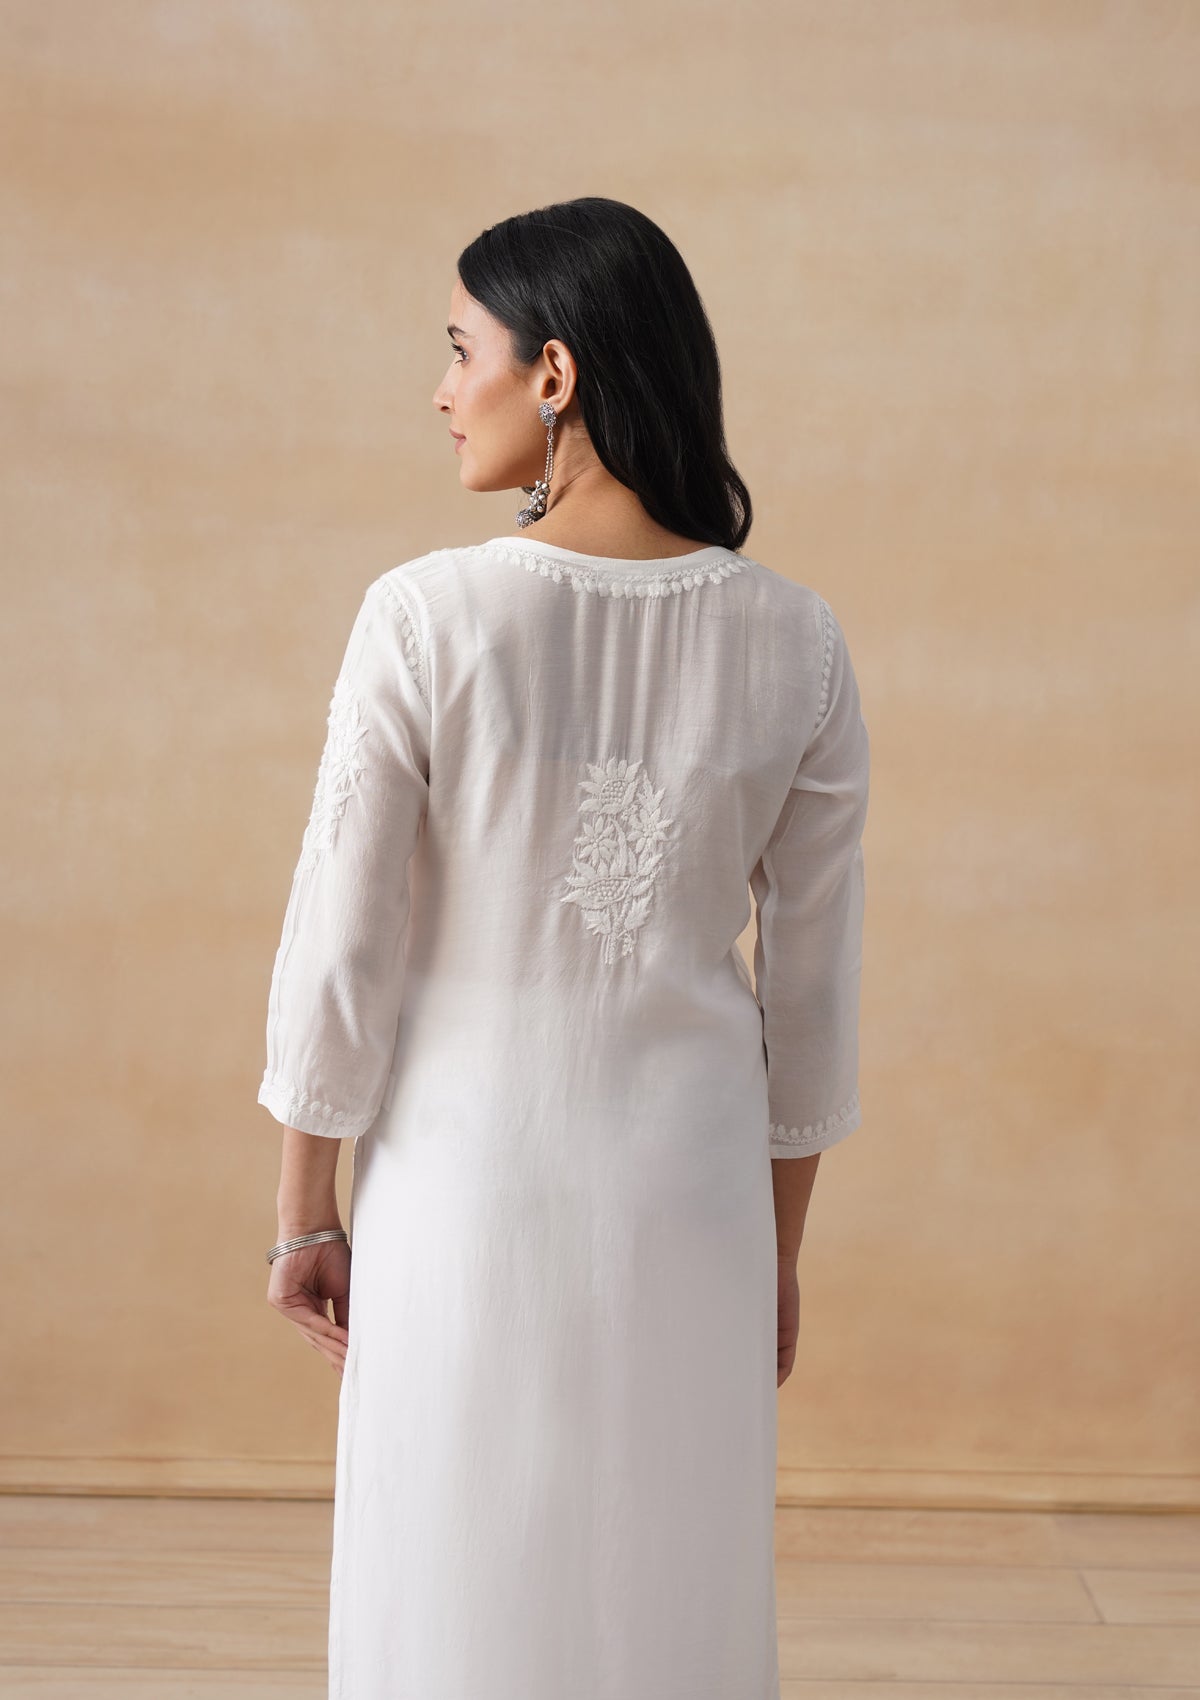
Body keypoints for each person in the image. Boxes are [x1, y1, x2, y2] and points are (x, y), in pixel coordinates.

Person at [257, 195, 870, 1700]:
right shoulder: (797, 641)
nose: (440, 388)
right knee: (667, 1580)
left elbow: (343, 940)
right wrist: (778, 1248)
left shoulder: (424, 616)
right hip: (694, 1199)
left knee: (452, 1569)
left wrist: (303, 1212)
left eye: (459, 348)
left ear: (555, 373)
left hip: (462, 1186)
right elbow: (812, 994)